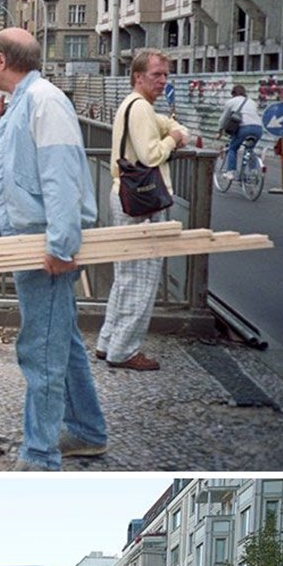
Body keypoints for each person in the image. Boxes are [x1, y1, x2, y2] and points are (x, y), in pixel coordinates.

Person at [0, 28, 107, 471]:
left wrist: (61, 244)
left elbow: (61, 177)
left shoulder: (45, 102)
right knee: (61, 341)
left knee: (41, 349)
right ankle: (89, 432)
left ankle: (40, 456)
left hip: (43, 248)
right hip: (29, 242)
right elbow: (12, 170)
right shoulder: (22, 103)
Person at [96, 49, 189, 373]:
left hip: (126, 197)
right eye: (156, 75)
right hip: (141, 203)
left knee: (126, 277)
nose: (163, 80)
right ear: (138, 77)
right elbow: (151, 156)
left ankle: (108, 342)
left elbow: (169, 123)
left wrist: (177, 131)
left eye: (165, 74)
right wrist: (174, 141)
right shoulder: (140, 110)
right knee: (142, 279)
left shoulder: (135, 106)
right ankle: (124, 351)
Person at [217, 84, 263, 183]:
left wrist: (220, 130)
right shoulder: (252, 102)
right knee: (250, 149)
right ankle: (253, 171)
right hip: (258, 128)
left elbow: (224, 118)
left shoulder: (231, 102)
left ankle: (231, 172)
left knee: (233, 148)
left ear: (233, 93)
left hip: (244, 128)